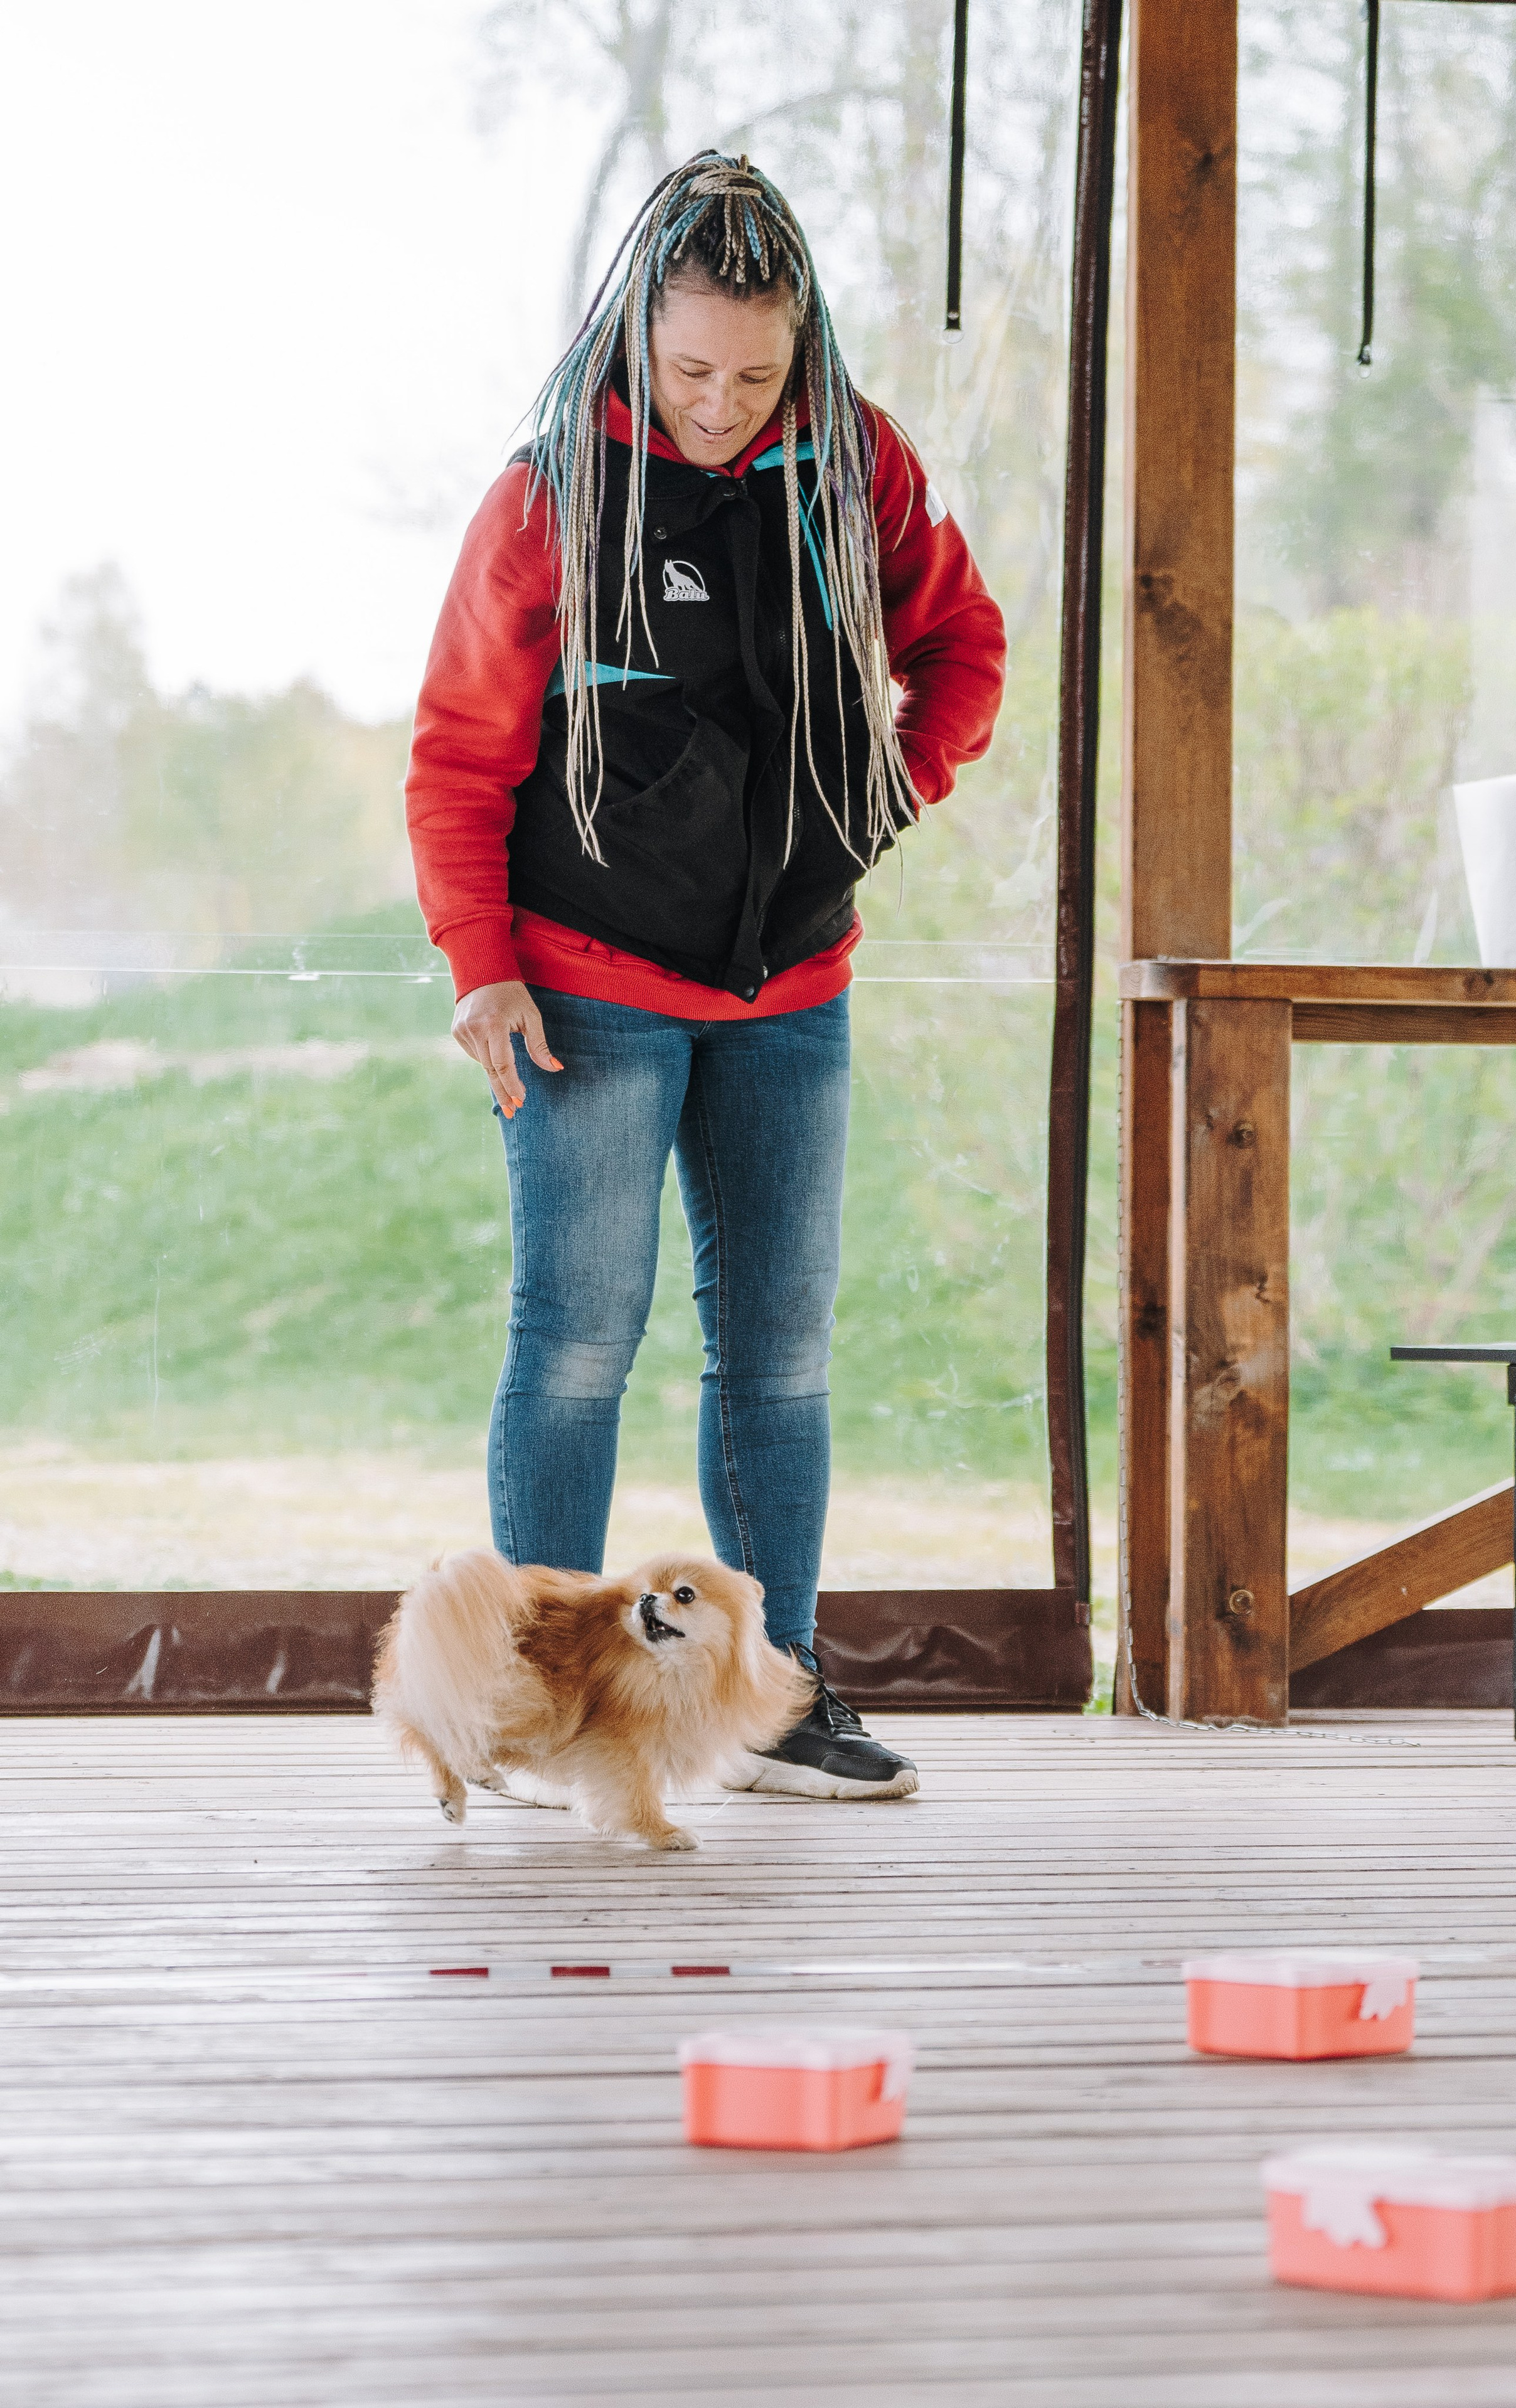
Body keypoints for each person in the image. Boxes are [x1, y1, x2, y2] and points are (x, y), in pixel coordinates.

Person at [405, 151, 1005, 1799]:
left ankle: (771, 1701)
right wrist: (480, 964)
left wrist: (888, 792)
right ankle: (538, 1704)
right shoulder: (546, 498)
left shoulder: (858, 465)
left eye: (755, 372)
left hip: (792, 993)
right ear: (634, 337)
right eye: (689, 372)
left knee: (782, 1355)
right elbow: (458, 754)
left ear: (799, 343)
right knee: (579, 1343)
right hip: (586, 980)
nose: (723, 405)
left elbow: (966, 642)